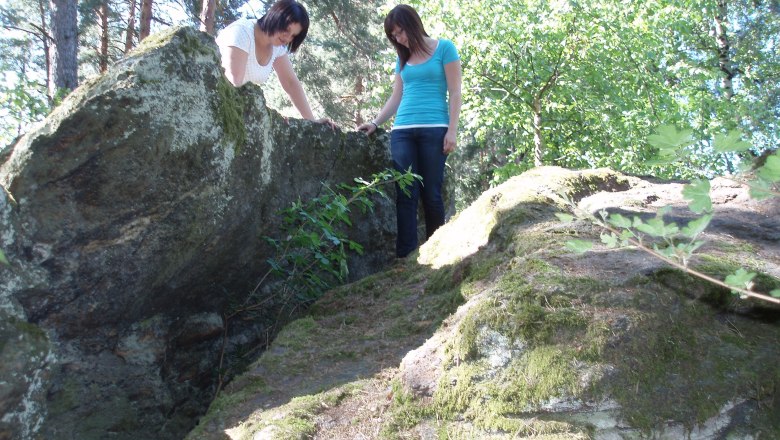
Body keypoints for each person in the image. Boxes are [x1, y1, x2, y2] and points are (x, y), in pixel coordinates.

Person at [357, 4, 462, 258]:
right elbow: (396, 96)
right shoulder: (402, 58)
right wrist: (375, 122)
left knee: (432, 194)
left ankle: (438, 254)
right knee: (406, 194)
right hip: (402, 131)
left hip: (435, 129)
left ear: (413, 24)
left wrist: (452, 130)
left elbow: (455, 92)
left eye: (400, 31)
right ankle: (406, 259)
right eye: (394, 35)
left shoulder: (444, 48)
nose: (399, 38)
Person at [216, 0, 335, 127]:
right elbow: (233, 83)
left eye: (293, 35)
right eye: (286, 29)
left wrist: (312, 122)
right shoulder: (241, 32)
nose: (287, 38)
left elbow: (290, 83)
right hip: (218, 106)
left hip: (237, 115)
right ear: (275, 17)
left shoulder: (276, 47)